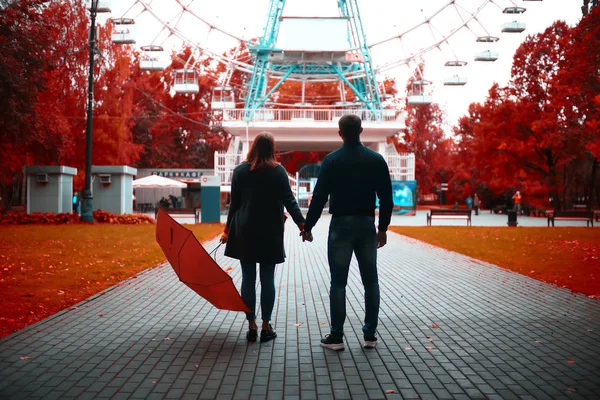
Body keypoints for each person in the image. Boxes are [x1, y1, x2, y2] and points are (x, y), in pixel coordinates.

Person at [300, 114, 393, 351]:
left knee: (338, 283)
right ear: (361, 130)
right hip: (365, 225)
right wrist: (382, 228)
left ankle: (337, 337)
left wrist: (307, 227)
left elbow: (319, 197)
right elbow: (386, 198)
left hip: (340, 225)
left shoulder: (332, 161)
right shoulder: (376, 160)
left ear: (340, 133)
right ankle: (370, 335)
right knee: (371, 281)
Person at [220, 132, 305, 343]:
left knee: (248, 278)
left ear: (253, 147)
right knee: (267, 279)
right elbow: (289, 201)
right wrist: (303, 225)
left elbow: (235, 205)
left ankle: (251, 326)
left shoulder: (240, 171)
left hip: (244, 230)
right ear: (271, 149)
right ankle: (267, 327)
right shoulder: (278, 172)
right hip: (270, 231)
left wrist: (226, 231)